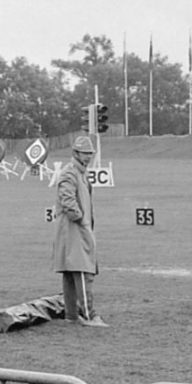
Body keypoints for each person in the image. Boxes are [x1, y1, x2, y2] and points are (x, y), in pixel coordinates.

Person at [52, 135, 108, 327]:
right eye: (85, 153)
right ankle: (88, 315)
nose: (88, 157)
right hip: (74, 230)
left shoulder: (81, 173)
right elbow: (67, 200)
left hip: (75, 230)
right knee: (82, 271)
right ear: (75, 153)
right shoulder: (70, 173)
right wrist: (81, 219)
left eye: (90, 154)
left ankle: (71, 315)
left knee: (70, 272)